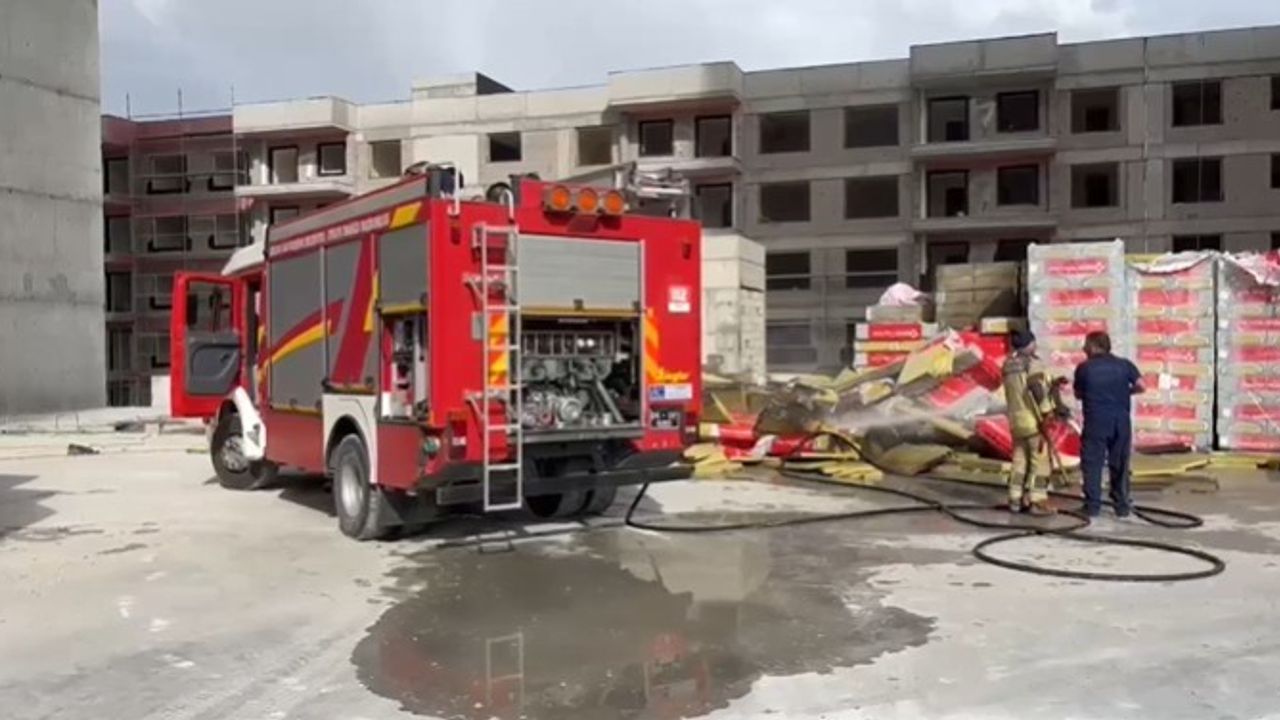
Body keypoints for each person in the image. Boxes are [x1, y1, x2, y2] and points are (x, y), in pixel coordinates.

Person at [1073, 331, 1144, 518]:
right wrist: (1126, 392)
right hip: (1121, 421)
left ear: (1094, 346)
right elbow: (1142, 386)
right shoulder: (1125, 365)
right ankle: (1121, 505)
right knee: (1120, 462)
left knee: (1092, 463)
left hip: (1096, 421)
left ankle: (1092, 506)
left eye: (1086, 345)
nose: (1084, 348)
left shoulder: (1084, 368)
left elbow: (1078, 394)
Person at [1002, 330, 1056, 516]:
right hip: (1033, 421)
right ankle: (1036, 500)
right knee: (1039, 462)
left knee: (1019, 461)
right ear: (1030, 344)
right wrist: (1046, 410)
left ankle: (1015, 499)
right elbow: (1035, 386)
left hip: (1016, 421)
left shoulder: (1008, 364)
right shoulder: (1032, 363)